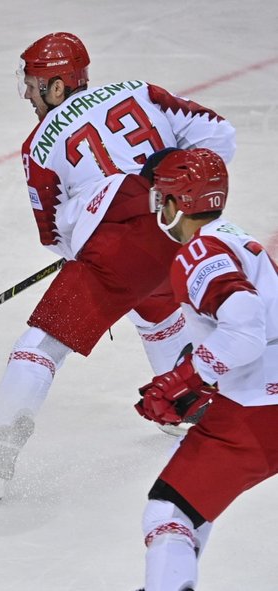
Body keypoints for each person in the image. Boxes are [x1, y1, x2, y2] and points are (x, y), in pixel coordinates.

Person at [0, 32, 237, 501]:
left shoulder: (39, 144)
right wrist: (179, 199)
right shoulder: (140, 91)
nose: (27, 93)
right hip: (180, 230)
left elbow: (52, 235)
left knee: (40, 344)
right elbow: (218, 135)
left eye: (35, 83)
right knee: (156, 306)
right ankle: (189, 405)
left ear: (58, 87)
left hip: (119, 243)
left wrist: (91, 248)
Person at [132, 148, 278, 591]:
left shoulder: (199, 253)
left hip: (261, 408)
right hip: (256, 397)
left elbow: (246, 329)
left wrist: (184, 379)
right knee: (193, 504)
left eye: (162, 200)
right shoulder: (235, 237)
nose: (160, 210)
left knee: (169, 513)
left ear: (179, 203)